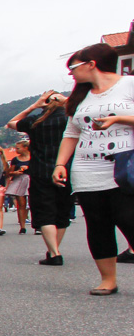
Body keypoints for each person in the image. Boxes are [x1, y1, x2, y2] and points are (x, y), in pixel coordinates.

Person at [52, 43, 134, 295]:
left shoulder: (128, 84)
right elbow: (71, 134)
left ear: (91, 64)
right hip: (87, 168)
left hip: (124, 167)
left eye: (73, 67)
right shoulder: (80, 97)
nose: (71, 73)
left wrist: (118, 118)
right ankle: (108, 279)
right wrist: (60, 164)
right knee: (98, 224)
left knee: (128, 219)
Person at [8, 89, 73, 263]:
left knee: (45, 213)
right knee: (62, 213)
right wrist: (66, 101)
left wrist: (33, 106)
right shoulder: (69, 119)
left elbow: (12, 123)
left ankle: (54, 252)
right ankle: (54, 250)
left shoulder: (35, 121)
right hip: (66, 170)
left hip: (40, 171)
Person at [4, 140, 31, 233]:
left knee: (34, 203)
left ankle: (37, 225)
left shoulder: (33, 158)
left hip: (32, 179)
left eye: (18, 148)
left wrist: (29, 168)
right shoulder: (15, 159)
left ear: (25, 148)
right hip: (20, 180)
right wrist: (14, 172)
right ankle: (22, 226)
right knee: (21, 204)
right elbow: (9, 173)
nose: (16, 150)